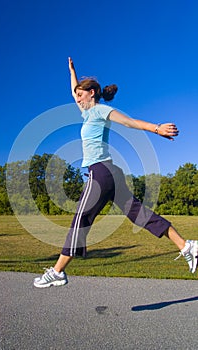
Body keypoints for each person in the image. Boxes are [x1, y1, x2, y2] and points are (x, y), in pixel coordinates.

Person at [34, 57, 198, 288]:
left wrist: (156, 128)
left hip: (101, 172)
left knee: (81, 218)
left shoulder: (101, 110)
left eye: (81, 95)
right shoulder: (87, 113)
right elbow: (73, 90)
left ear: (92, 93)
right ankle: (186, 245)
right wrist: (72, 71)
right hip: (111, 174)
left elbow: (129, 123)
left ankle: (57, 271)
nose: (77, 98)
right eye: (77, 95)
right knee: (139, 214)